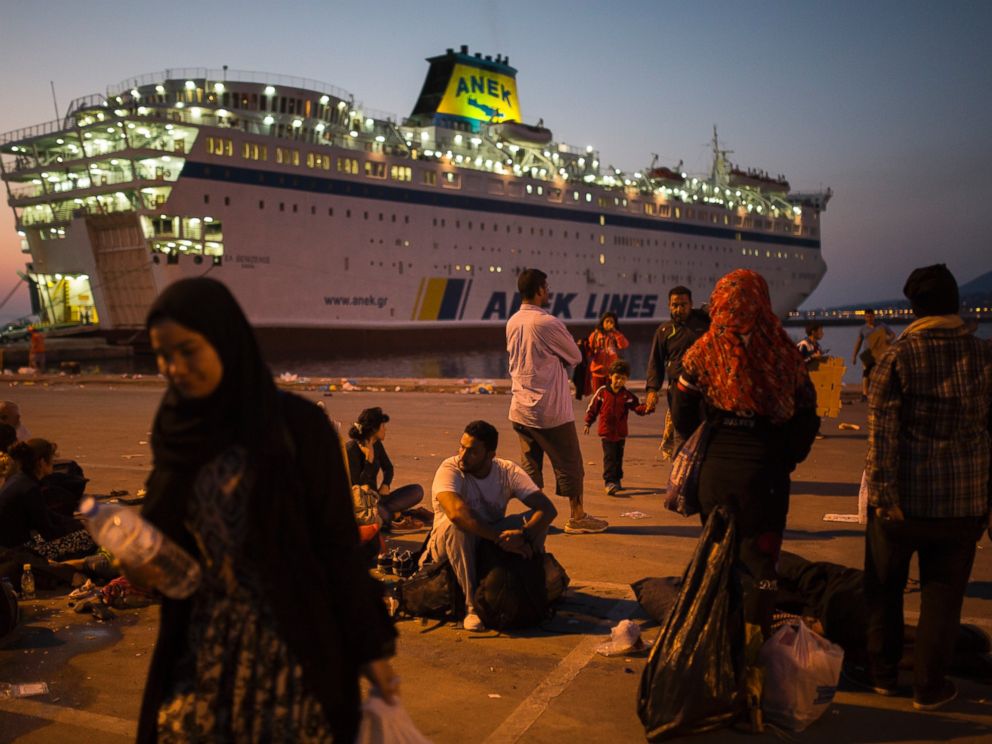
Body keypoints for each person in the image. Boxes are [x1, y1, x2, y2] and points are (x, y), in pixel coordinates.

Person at [138, 277, 397, 743]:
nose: (173, 367)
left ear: (224, 339)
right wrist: (135, 560)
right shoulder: (176, 432)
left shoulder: (297, 428)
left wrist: (370, 648)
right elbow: (165, 541)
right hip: (201, 653)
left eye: (187, 350)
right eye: (162, 355)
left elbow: (337, 549)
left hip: (292, 650)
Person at [862, 264, 991, 711]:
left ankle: (882, 675)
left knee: (885, 590)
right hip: (963, 502)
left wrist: (882, 497)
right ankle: (930, 687)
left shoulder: (897, 357)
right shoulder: (984, 354)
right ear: (955, 303)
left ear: (912, 307)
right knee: (942, 596)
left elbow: (883, 434)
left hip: (903, 502)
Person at [671, 269, 819, 638]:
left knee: (718, 556)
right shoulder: (784, 351)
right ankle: (754, 654)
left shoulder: (703, 350)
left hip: (716, 473)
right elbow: (806, 415)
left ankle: (719, 640)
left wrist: (706, 438)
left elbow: (681, 410)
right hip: (766, 474)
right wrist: (787, 458)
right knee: (762, 564)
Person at [423, 420, 557, 631]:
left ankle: (533, 580)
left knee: (535, 518)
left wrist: (523, 534)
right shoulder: (450, 468)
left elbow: (548, 509)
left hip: (486, 538)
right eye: (462, 447)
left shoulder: (506, 471)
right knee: (456, 525)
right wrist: (498, 537)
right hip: (447, 546)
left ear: (490, 455)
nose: (463, 456)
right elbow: (456, 512)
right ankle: (471, 608)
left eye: (472, 451)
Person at [506, 268, 607, 535]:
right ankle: (577, 517)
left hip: (520, 409)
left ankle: (536, 517)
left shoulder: (513, 321)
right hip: (549, 410)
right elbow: (575, 356)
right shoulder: (547, 322)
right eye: (546, 287)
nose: (549, 292)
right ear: (539, 289)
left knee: (530, 468)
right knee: (570, 464)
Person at [0, 438, 94, 561]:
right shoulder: (30, 488)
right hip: (17, 550)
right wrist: (79, 529)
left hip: (11, 543)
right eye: (51, 459)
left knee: (81, 530)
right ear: (42, 462)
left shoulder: (19, 479)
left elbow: (47, 514)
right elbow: (48, 532)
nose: (54, 462)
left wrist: (78, 522)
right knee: (89, 538)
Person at [644, 286, 710, 460]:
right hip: (678, 392)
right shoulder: (664, 331)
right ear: (669, 305)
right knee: (681, 435)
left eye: (683, 305)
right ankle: (680, 478)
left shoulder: (705, 324)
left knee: (706, 433)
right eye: (675, 305)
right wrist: (652, 390)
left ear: (691, 304)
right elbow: (655, 362)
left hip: (706, 391)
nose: (679, 309)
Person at [346, 406, 425, 533]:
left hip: (378, 498)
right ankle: (396, 517)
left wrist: (386, 484)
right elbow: (358, 486)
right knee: (384, 514)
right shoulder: (351, 449)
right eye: (383, 426)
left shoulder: (376, 444)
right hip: (361, 504)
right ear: (374, 429)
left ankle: (396, 516)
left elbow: (388, 468)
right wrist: (369, 460)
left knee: (417, 491)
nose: (385, 429)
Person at [583, 359, 649, 495]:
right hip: (606, 432)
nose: (619, 381)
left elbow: (637, 407)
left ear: (626, 380)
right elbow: (593, 409)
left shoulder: (627, 395)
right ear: (610, 376)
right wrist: (587, 423)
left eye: (623, 378)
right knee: (610, 458)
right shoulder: (602, 392)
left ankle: (617, 481)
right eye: (617, 377)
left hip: (620, 433)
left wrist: (648, 407)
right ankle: (609, 482)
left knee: (618, 458)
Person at [851, 309, 895, 400]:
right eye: (867, 316)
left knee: (881, 373)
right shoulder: (863, 329)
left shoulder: (881, 326)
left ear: (874, 316)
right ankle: (865, 394)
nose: (869, 318)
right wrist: (854, 356)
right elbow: (858, 343)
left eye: (871, 316)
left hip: (880, 352)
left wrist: (888, 340)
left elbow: (892, 334)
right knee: (866, 372)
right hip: (868, 353)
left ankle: (881, 393)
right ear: (865, 317)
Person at [585, 311, 629, 393]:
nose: (609, 323)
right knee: (598, 395)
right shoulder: (595, 335)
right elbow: (589, 352)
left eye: (612, 322)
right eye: (607, 321)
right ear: (602, 322)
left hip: (612, 372)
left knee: (611, 395)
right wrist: (587, 348)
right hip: (597, 372)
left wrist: (615, 332)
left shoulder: (616, 335)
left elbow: (624, 345)